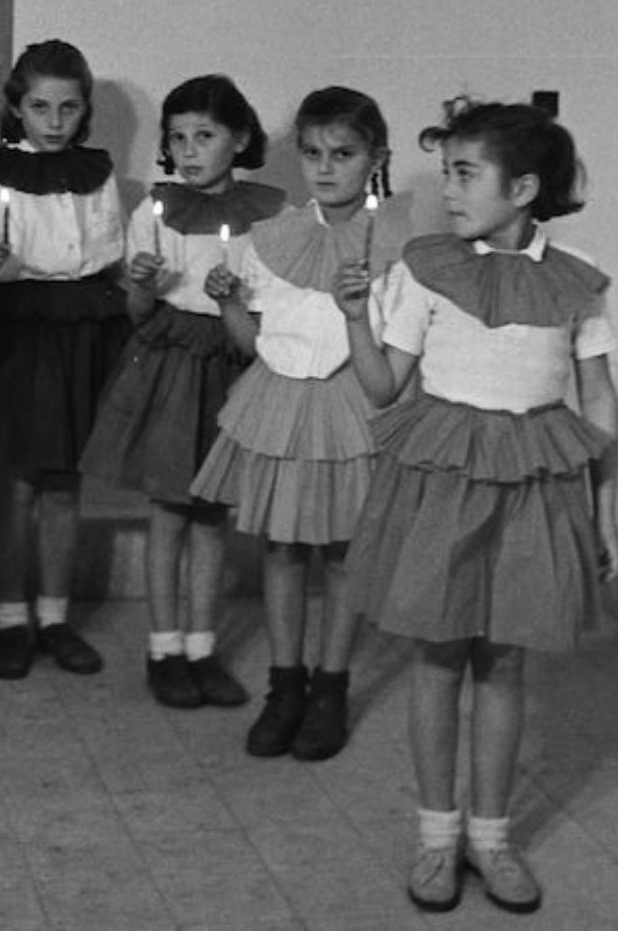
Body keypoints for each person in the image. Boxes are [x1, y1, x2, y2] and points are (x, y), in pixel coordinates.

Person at [334, 99, 618, 914]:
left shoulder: (578, 280)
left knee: (503, 662)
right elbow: (385, 385)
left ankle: (491, 841)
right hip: (442, 481)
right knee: (437, 659)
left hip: (535, 485)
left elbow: (598, 398)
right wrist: (356, 319)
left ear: (524, 187)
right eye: (447, 171)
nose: (449, 190)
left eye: (466, 173)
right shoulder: (429, 269)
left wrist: (604, 511)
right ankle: (436, 838)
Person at [192, 86, 411, 759]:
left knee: (344, 552)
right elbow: (255, 341)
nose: (326, 167)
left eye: (343, 154)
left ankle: (331, 686)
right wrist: (227, 303)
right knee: (283, 549)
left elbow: (395, 342)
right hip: (281, 403)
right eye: (312, 153)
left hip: (351, 406)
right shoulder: (275, 237)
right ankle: (284, 685)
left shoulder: (397, 245)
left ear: (376, 158)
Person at [79, 75, 283, 709]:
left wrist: (232, 304)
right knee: (169, 511)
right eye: (177, 138)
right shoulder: (156, 211)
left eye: (206, 136)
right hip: (168, 369)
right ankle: (164, 647)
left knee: (212, 515)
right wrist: (141, 283)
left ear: (240, 138)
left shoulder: (269, 217)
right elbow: (140, 313)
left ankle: (202, 647)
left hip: (231, 364)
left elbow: (267, 309)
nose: (189, 150)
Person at [0, 39, 127, 680]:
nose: (53, 121)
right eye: (40, 106)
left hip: (80, 334)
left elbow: (107, 261)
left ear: (84, 111)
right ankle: (11, 618)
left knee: (65, 481)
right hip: (11, 336)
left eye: (68, 108)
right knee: (14, 482)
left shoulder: (96, 175)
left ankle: (55, 615)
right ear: (16, 108)